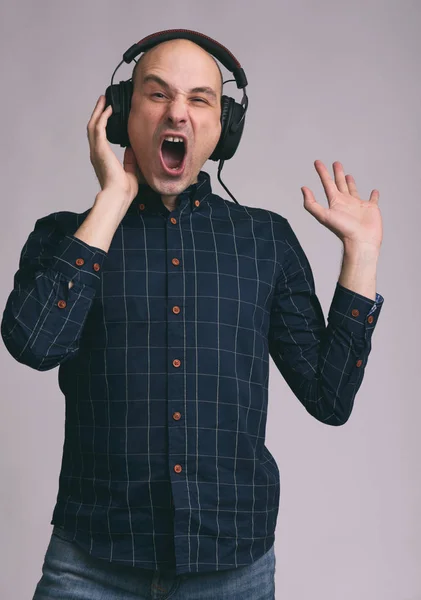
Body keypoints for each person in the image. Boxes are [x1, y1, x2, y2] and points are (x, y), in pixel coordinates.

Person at [1, 34, 384, 600]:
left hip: (233, 566)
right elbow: (33, 345)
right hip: (91, 560)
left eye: (200, 99)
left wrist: (362, 254)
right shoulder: (66, 237)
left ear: (224, 127)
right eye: (157, 94)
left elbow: (331, 398)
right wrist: (112, 199)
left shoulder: (266, 241)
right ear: (122, 113)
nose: (177, 110)